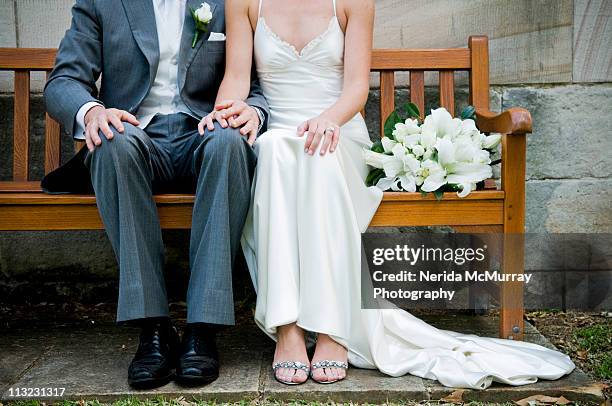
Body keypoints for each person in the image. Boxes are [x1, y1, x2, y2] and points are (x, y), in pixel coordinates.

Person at [204, 0, 576, 388]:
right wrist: (228, 111)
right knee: (275, 151)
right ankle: (289, 328)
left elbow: (356, 89)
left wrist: (328, 120)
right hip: (278, 132)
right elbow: (235, 77)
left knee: (318, 157)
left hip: (338, 132)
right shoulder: (245, 2)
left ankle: (333, 332)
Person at [43, 0, 269, 389]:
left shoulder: (226, 2)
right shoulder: (102, 4)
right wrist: (92, 111)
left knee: (230, 141)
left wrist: (256, 112)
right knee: (112, 142)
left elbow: (263, 79)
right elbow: (64, 80)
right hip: (137, 136)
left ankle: (203, 328)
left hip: (204, 132)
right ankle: (153, 329)